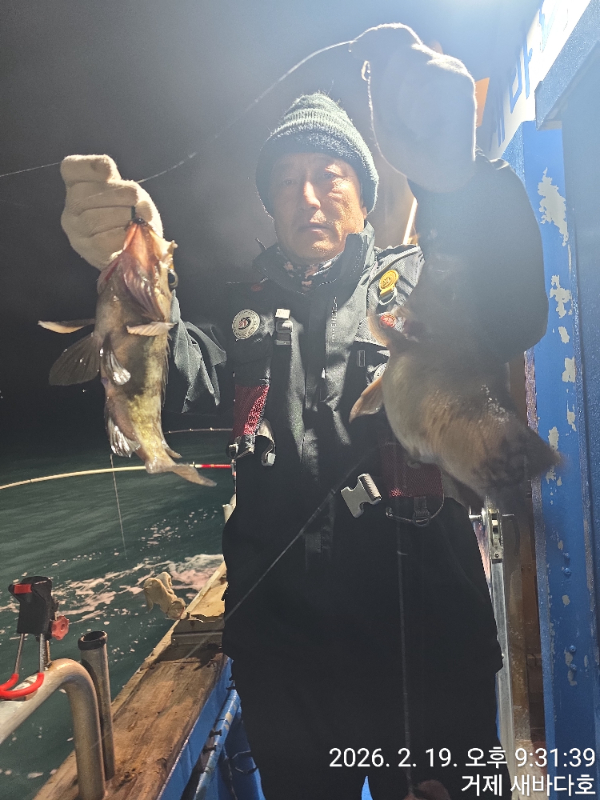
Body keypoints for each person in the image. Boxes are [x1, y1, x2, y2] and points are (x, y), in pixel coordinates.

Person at [59, 23, 547, 800]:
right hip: (287, 670)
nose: (308, 197)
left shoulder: (419, 285)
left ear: (364, 192)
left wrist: (459, 183)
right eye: (286, 182)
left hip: (427, 654)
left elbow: (514, 312)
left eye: (329, 174)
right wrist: (133, 276)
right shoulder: (243, 318)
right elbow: (171, 378)